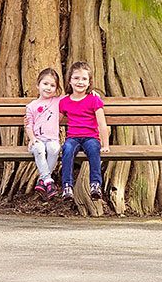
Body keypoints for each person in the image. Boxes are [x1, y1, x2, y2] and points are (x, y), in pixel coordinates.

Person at [59, 61, 110, 201]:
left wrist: (105, 145)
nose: (80, 82)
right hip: (73, 137)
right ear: (69, 80)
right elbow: (54, 121)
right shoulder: (64, 102)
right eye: (76, 78)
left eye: (84, 79)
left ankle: (95, 184)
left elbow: (101, 123)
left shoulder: (94, 100)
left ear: (89, 83)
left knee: (94, 150)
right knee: (67, 149)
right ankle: (67, 186)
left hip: (91, 137)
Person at [25, 68, 62, 200]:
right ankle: (49, 181)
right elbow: (29, 125)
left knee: (54, 148)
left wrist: (91, 92)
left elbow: (74, 96)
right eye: (45, 84)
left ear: (57, 88)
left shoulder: (58, 101)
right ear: (38, 85)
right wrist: (32, 139)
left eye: (52, 85)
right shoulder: (31, 106)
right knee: (39, 148)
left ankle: (43, 180)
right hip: (38, 140)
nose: (48, 88)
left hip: (52, 139)